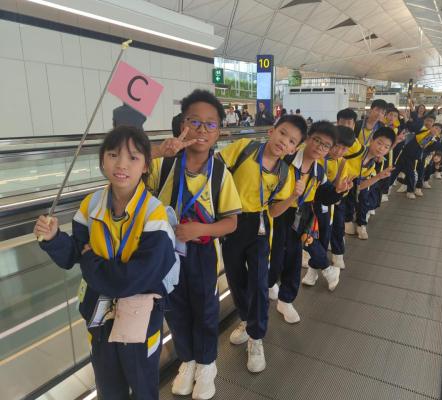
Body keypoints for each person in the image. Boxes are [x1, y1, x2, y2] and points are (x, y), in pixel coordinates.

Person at [34, 126, 179, 400]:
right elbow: (72, 255)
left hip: (141, 317)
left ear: (146, 165)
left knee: (143, 386)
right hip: (99, 316)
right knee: (108, 386)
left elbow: (131, 280)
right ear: (102, 160)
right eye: (113, 155)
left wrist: (90, 260)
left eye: (133, 157)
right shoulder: (91, 206)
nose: (121, 164)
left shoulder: (154, 214)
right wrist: (53, 239)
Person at [150, 90, 243, 399]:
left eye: (210, 124)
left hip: (202, 253)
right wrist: (158, 151)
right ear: (182, 125)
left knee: (204, 309)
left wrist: (201, 229)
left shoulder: (219, 174)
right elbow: (127, 162)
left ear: (219, 131)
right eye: (195, 122)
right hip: (165, 254)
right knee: (174, 309)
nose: (202, 129)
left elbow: (231, 222)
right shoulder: (164, 165)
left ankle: (206, 364)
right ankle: (187, 360)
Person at [217, 114, 307, 373]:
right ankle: (246, 320)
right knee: (235, 278)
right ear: (271, 131)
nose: (284, 141)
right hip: (231, 220)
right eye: (282, 133)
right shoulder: (244, 147)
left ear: (293, 149)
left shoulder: (285, 173)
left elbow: (275, 211)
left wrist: (292, 197)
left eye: (292, 141)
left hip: (259, 225)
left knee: (258, 281)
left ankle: (256, 337)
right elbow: (215, 169)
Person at [269, 121, 351, 323]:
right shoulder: (284, 160)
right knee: (273, 258)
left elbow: (323, 195)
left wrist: (337, 191)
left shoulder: (318, 171)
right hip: (275, 215)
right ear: (307, 138)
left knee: (294, 258)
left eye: (326, 145)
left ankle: (285, 300)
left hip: (300, 216)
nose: (320, 147)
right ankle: (267, 287)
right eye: (317, 140)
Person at [302, 125, 356, 278]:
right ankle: (322, 267)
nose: (338, 151)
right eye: (336, 146)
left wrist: (342, 189)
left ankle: (313, 271)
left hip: (327, 205)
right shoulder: (316, 157)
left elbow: (342, 190)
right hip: (307, 204)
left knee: (323, 236)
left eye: (344, 149)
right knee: (307, 235)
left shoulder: (343, 163)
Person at [351, 127, 396, 239]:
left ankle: (360, 223)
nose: (381, 149)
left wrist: (379, 176)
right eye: (379, 143)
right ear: (371, 140)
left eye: (386, 147)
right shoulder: (357, 149)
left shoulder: (371, 165)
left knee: (366, 195)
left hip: (344, 190)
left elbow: (360, 187)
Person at [392, 115, 442, 199]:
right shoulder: (422, 129)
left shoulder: (435, 140)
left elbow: (427, 148)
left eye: (438, 130)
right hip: (405, 152)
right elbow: (412, 127)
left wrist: (431, 137)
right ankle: (386, 190)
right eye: (435, 128)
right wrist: (407, 119)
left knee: (414, 173)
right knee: (395, 170)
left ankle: (412, 190)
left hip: (417, 157)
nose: (436, 130)